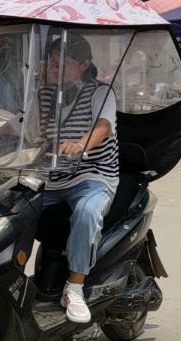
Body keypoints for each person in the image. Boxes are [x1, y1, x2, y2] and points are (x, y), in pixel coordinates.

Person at [37, 34, 119, 324]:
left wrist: (82, 143)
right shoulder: (45, 94)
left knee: (86, 212)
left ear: (85, 64)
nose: (55, 69)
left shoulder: (100, 92)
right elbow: (23, 124)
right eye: (53, 62)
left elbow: (103, 126)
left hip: (93, 175)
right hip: (52, 178)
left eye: (64, 63)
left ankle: (74, 287)